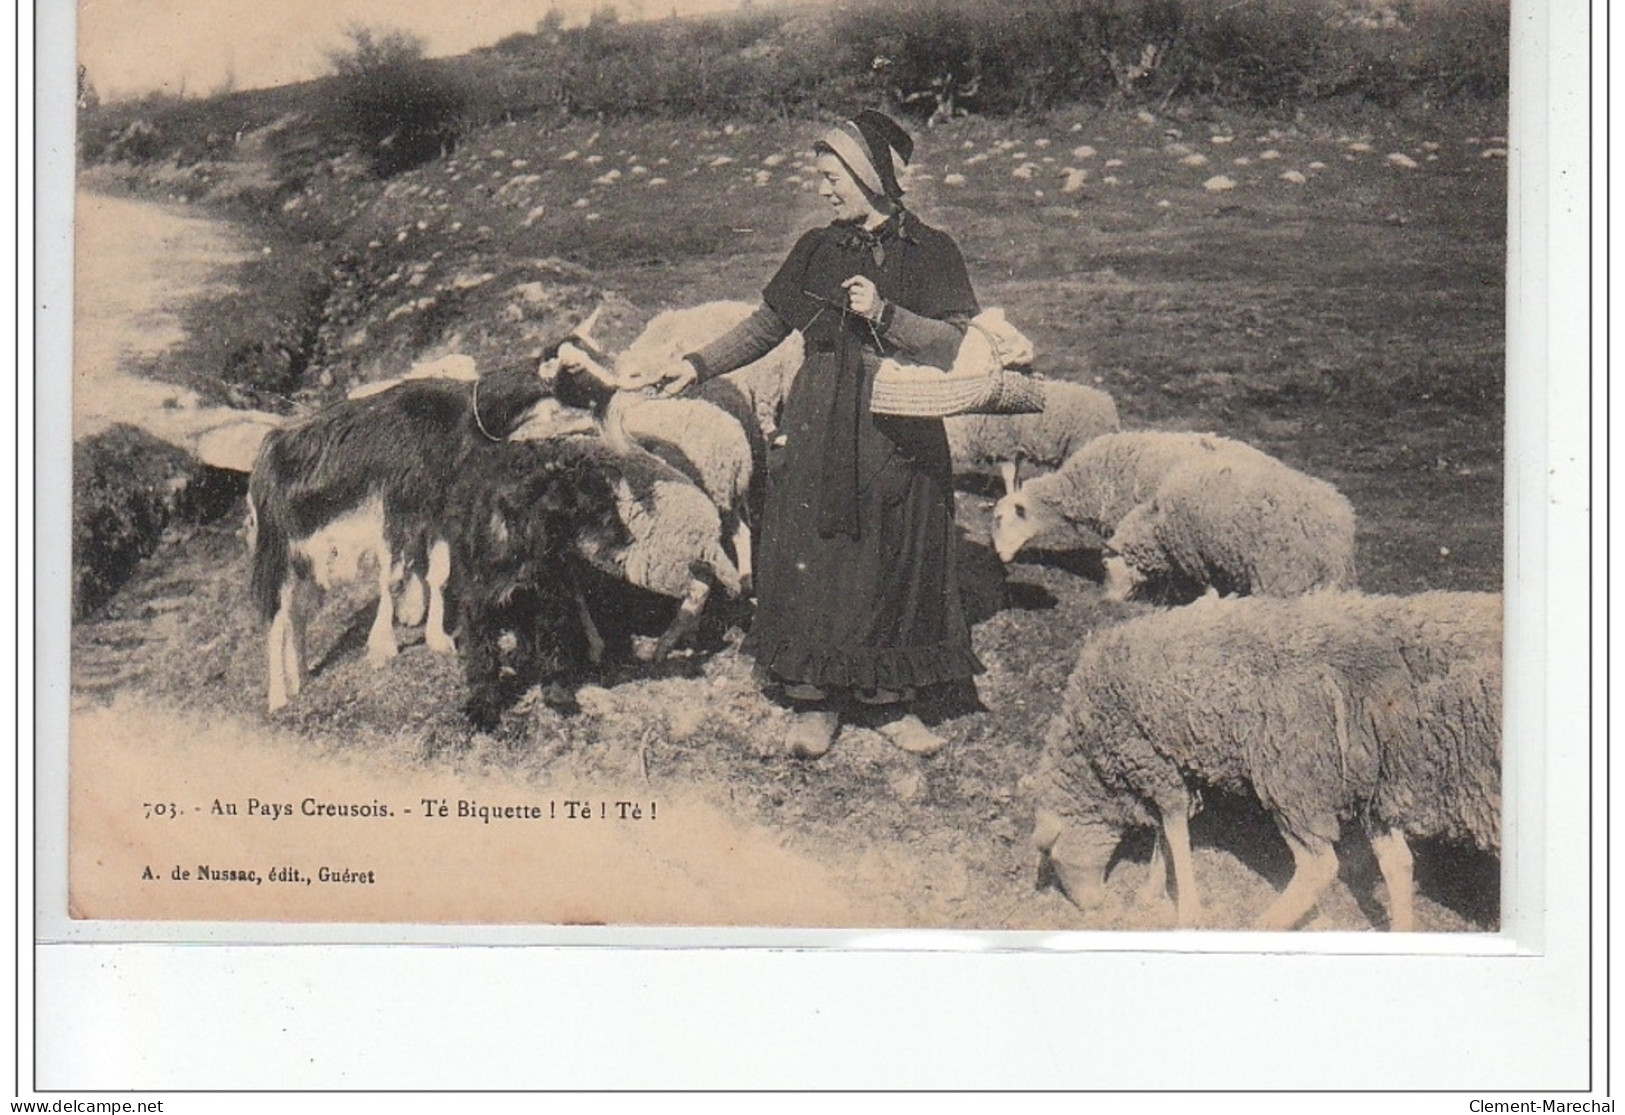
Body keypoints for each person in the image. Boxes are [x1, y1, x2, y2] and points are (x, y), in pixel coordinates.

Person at [649, 110, 982, 759]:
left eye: (833, 178)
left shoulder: (934, 250)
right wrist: (692, 364)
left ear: (869, 174)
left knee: (894, 550)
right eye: (821, 179)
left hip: (900, 418)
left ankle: (888, 698)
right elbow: (766, 324)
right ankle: (815, 698)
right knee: (821, 550)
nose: (824, 191)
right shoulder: (816, 248)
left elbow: (949, 344)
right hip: (821, 412)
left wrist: (885, 315)